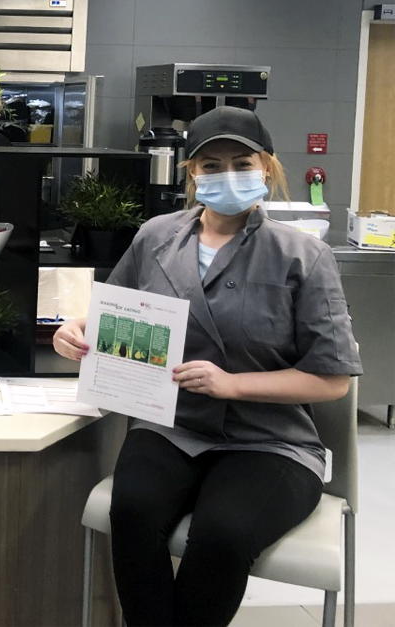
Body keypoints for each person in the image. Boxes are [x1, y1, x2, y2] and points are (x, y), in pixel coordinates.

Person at [52, 106, 362, 627]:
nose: (226, 175)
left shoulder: (302, 256)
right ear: (191, 172)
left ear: (266, 166)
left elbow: (331, 378)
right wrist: (79, 329)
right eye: (210, 165)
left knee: (222, 535)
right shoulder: (156, 237)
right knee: (131, 512)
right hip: (171, 427)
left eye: (241, 162)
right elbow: (126, 311)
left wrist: (233, 384)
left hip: (269, 441)